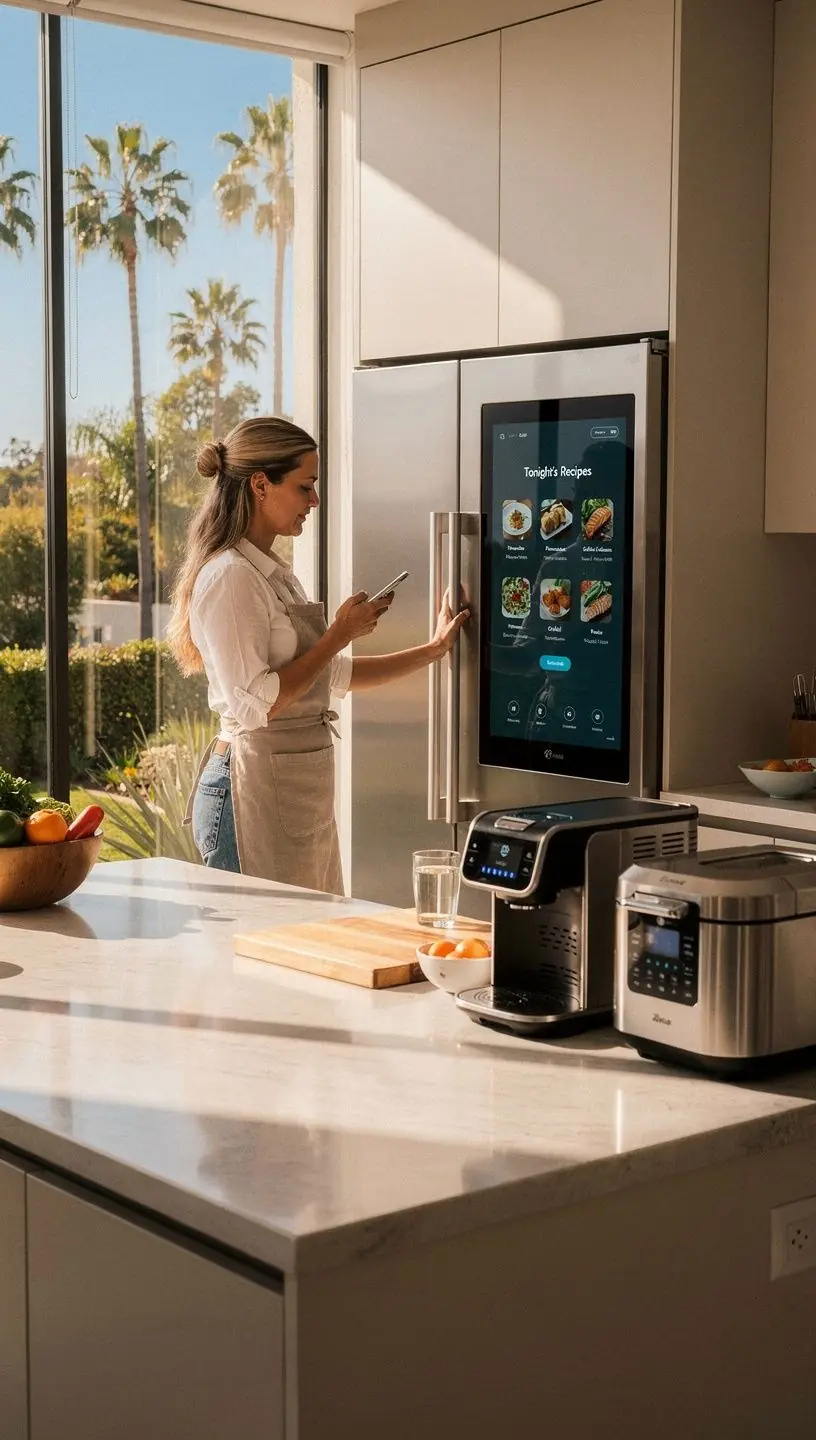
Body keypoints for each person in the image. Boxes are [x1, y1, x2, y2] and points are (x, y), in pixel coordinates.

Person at [169, 416, 467, 895]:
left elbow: (332, 678)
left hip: (290, 790)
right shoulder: (230, 578)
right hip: (249, 790)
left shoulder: (273, 573)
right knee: (256, 956)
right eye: (306, 486)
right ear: (261, 485)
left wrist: (434, 650)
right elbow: (257, 705)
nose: (315, 501)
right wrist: (338, 635)